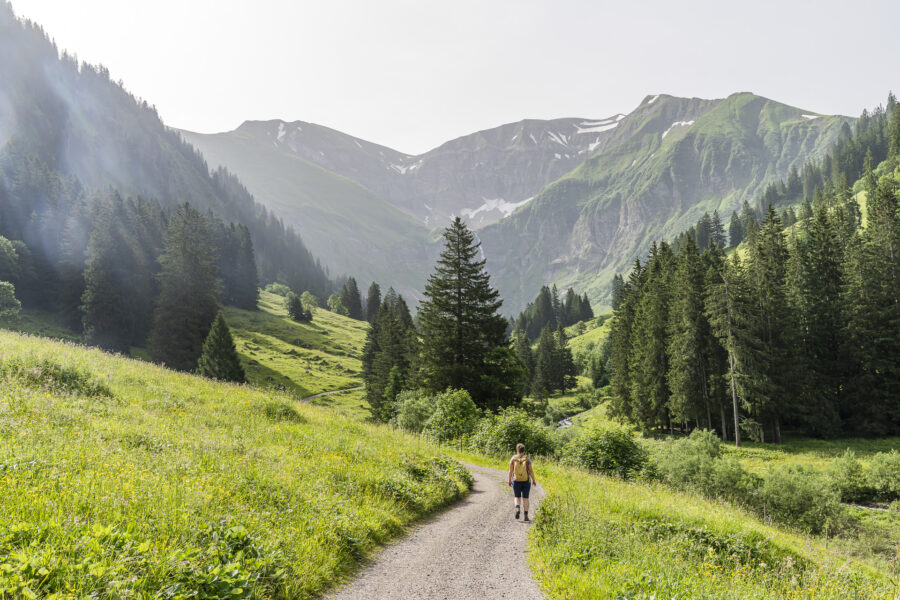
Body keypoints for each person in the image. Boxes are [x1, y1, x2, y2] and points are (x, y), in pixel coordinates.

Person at [507, 442, 537, 521]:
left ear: (517, 449)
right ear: (523, 450)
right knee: (525, 498)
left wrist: (509, 480)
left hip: (516, 481)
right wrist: (533, 480)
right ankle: (526, 516)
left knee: (517, 497)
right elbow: (531, 471)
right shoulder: (527, 459)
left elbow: (510, 471)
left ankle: (517, 508)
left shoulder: (513, 458)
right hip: (526, 481)